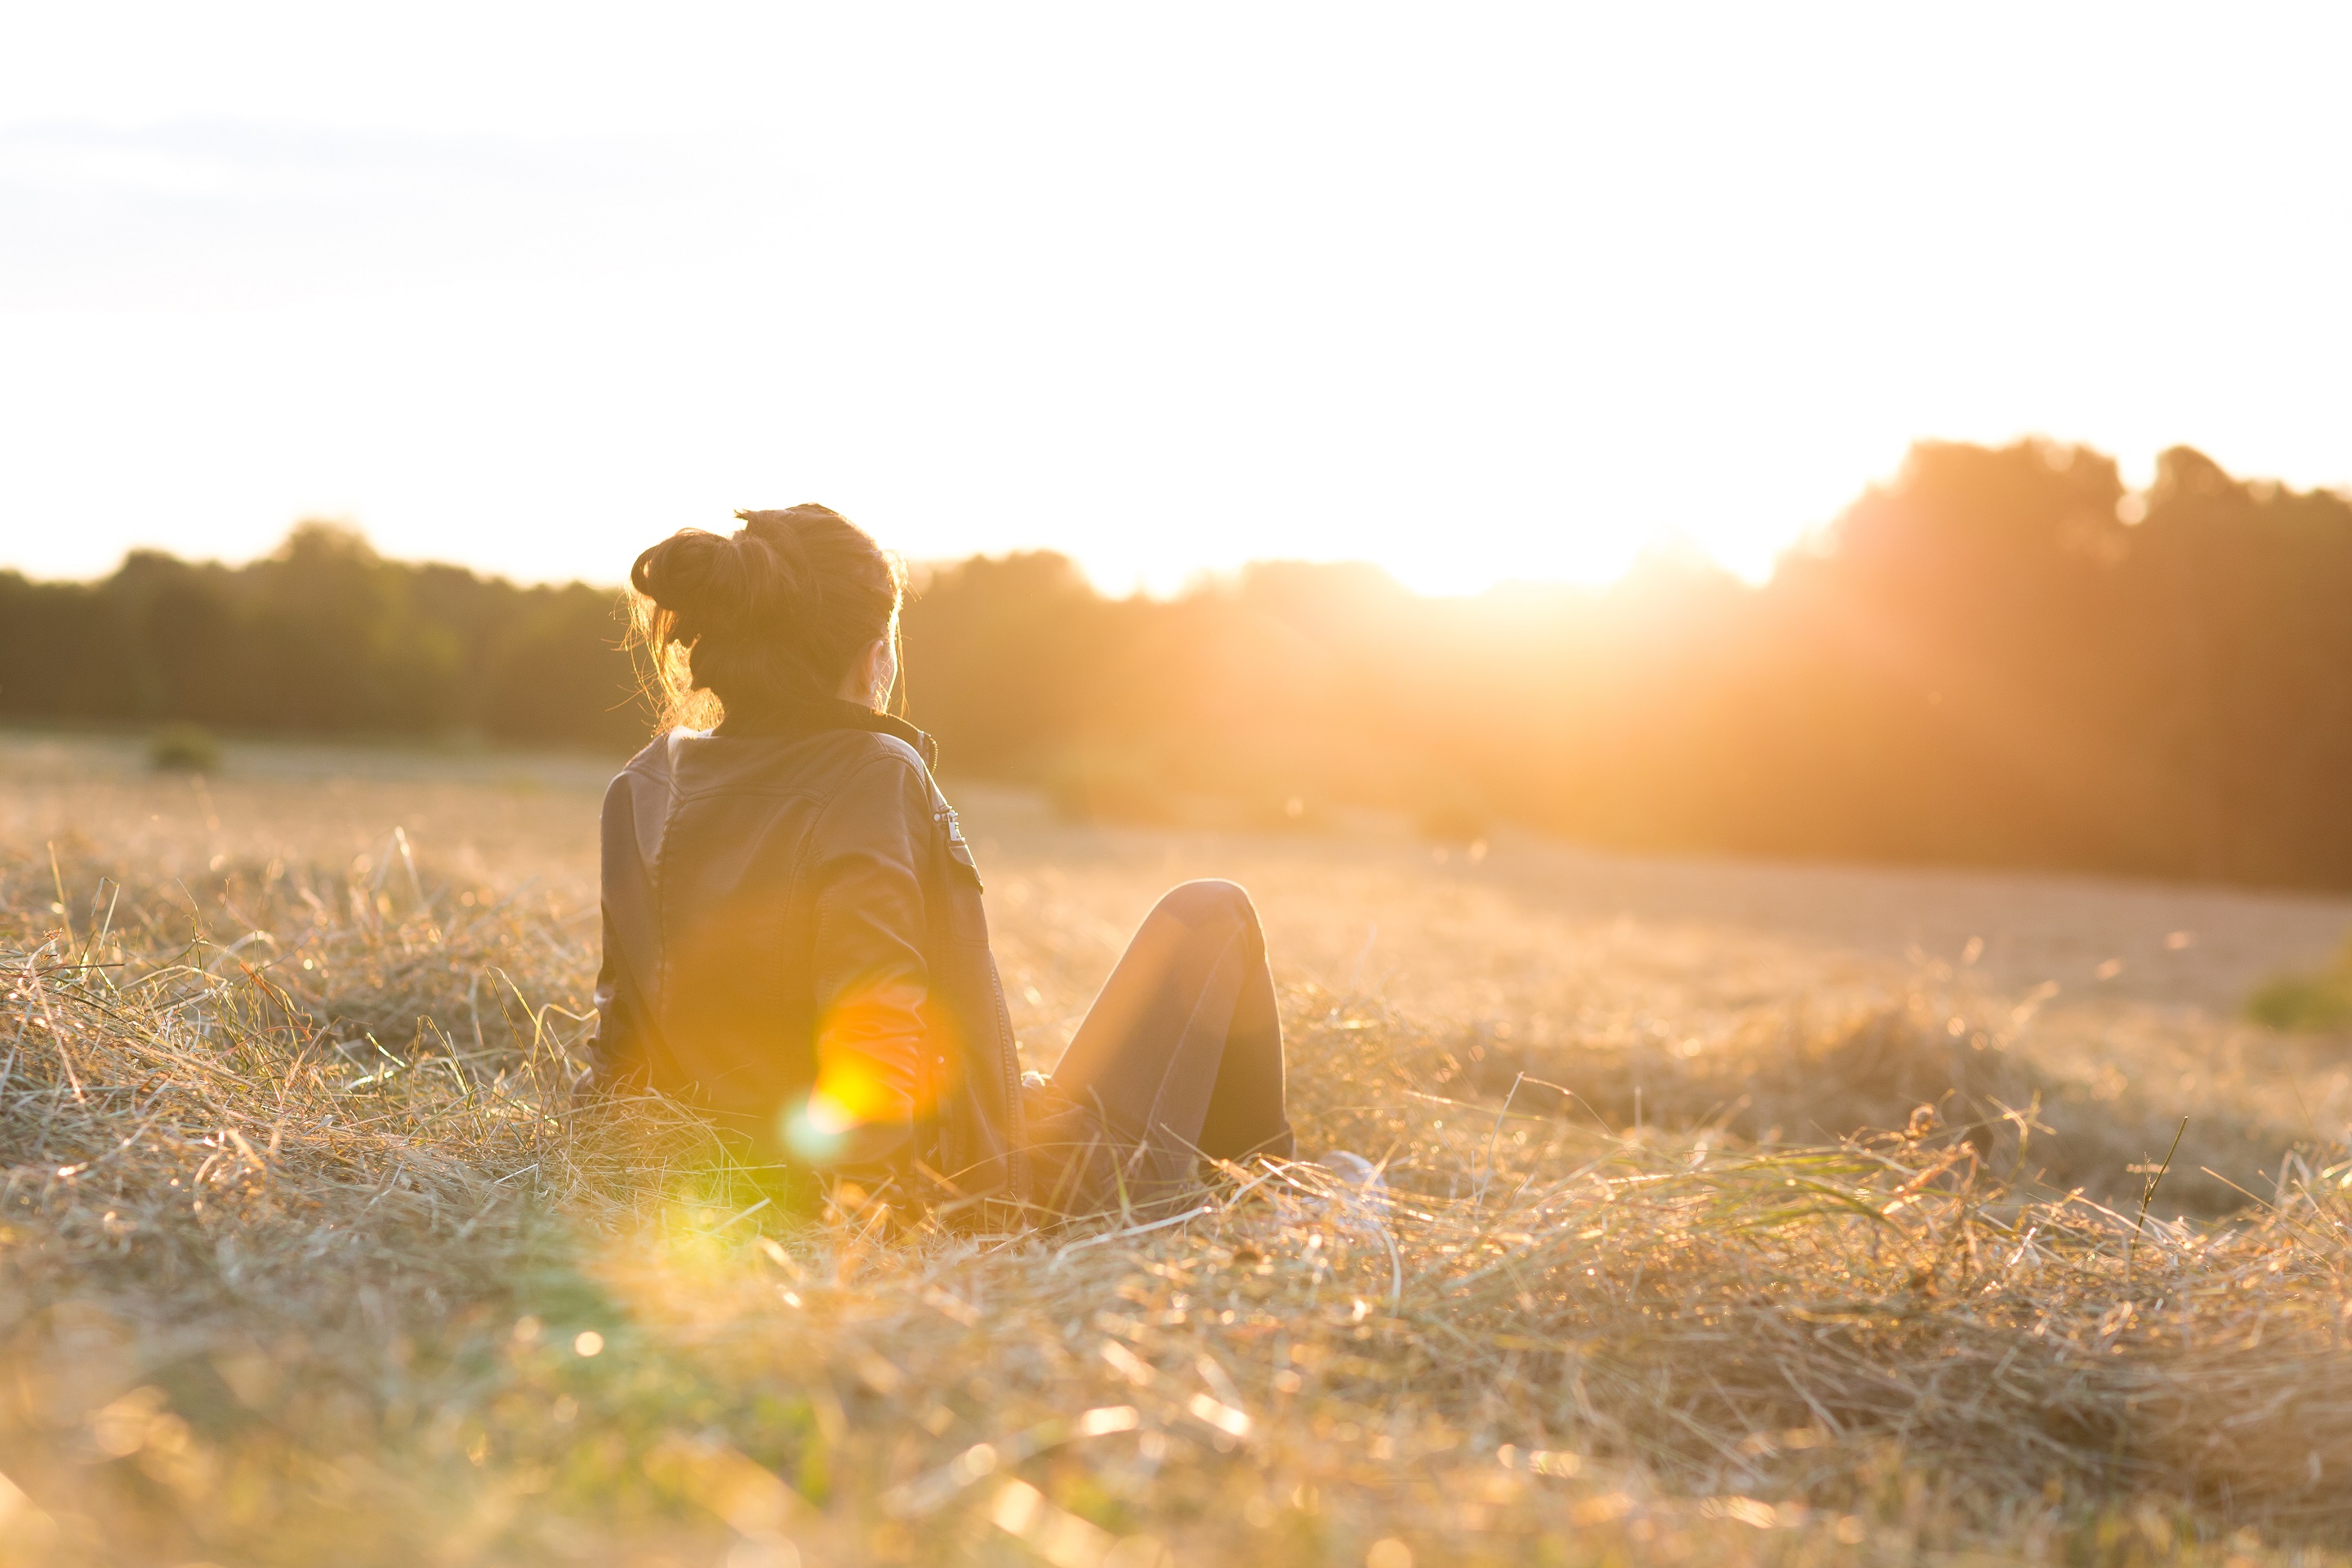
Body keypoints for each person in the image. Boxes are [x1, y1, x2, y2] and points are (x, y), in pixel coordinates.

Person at [591, 505, 1294, 1224]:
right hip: (987, 1188)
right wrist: (873, 1230)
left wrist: (617, 1185)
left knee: (1050, 1082)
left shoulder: (642, 786)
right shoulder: (872, 771)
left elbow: (620, 1049)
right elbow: (877, 1036)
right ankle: (1284, 1206)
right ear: (874, 659)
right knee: (1212, 912)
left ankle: (1272, 1195)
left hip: (769, 1168)